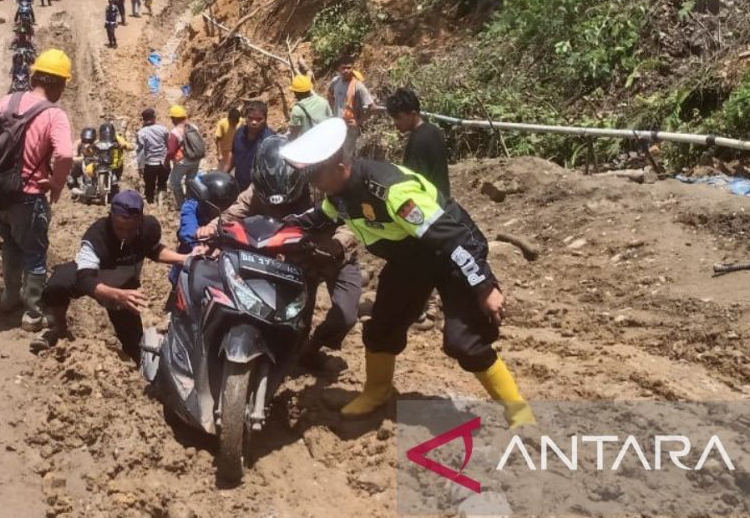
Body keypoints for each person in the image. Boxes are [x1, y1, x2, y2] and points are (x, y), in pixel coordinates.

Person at [280, 118, 535, 426]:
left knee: (463, 341)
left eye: (316, 175)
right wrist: (278, 229)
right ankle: (377, 391)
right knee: (381, 328)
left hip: (450, 254)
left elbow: (450, 237)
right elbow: (321, 217)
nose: (313, 183)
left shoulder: (391, 190)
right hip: (410, 260)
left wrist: (484, 286)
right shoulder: (339, 193)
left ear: (339, 165)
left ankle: (519, 412)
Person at [198, 136, 363, 370]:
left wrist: (336, 245)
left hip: (335, 256)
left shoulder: (320, 186)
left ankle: (314, 347)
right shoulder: (257, 189)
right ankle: (291, 358)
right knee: (294, 320)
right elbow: (235, 212)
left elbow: (351, 222)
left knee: (345, 317)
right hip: (297, 258)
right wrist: (212, 227)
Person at [0, 49, 75, 332]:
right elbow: (66, 155)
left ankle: (9, 297)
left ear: (34, 76)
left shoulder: (8, 101)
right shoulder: (54, 114)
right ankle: (33, 315)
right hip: (28, 196)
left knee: (10, 244)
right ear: (58, 84)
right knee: (34, 253)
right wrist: (56, 183)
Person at [32, 190, 186, 358]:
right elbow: (84, 279)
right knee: (56, 286)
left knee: (135, 346)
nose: (125, 235)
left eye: (131, 229)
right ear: (111, 217)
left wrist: (184, 259)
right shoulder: (97, 235)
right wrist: (115, 294)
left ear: (140, 219)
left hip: (123, 281)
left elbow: (154, 250)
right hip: (95, 275)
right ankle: (59, 330)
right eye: (120, 228)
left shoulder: (149, 228)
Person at [387, 87, 451, 202]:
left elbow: (413, 181)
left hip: (429, 204)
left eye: (398, 118)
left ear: (413, 114)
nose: (395, 123)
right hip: (442, 199)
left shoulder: (419, 140)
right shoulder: (433, 130)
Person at [229, 101, 274, 191]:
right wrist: (220, 174)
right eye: (250, 118)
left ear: (265, 119)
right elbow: (232, 157)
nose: (254, 122)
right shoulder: (239, 133)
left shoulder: (270, 141)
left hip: (258, 192)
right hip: (238, 186)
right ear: (245, 118)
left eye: (259, 119)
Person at [165, 105, 202, 206]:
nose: (171, 120)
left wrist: (166, 161)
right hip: (196, 159)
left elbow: (171, 151)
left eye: (172, 118)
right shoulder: (194, 127)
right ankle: (191, 202)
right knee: (190, 182)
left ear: (175, 118)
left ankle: (182, 205)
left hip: (183, 163)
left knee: (174, 183)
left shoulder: (175, 132)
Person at [327, 59, 375, 132]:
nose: (346, 70)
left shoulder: (358, 86)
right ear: (338, 69)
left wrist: (358, 121)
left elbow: (372, 107)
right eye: (343, 68)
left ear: (352, 69)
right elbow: (329, 93)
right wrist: (334, 109)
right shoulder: (336, 81)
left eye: (349, 68)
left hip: (350, 127)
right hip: (338, 124)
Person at [134, 108, 169, 205]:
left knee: (149, 187)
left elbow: (140, 151)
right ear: (154, 118)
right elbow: (168, 145)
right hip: (163, 163)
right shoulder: (163, 129)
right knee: (162, 184)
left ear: (144, 120)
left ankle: (151, 205)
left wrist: (140, 166)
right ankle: (162, 202)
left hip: (150, 164)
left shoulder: (141, 133)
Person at [213, 107, 241, 172]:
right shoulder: (222, 123)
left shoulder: (241, 121)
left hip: (235, 150)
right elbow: (218, 139)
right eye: (233, 122)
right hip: (224, 151)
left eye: (236, 122)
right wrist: (219, 154)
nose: (235, 124)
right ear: (229, 119)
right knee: (222, 170)